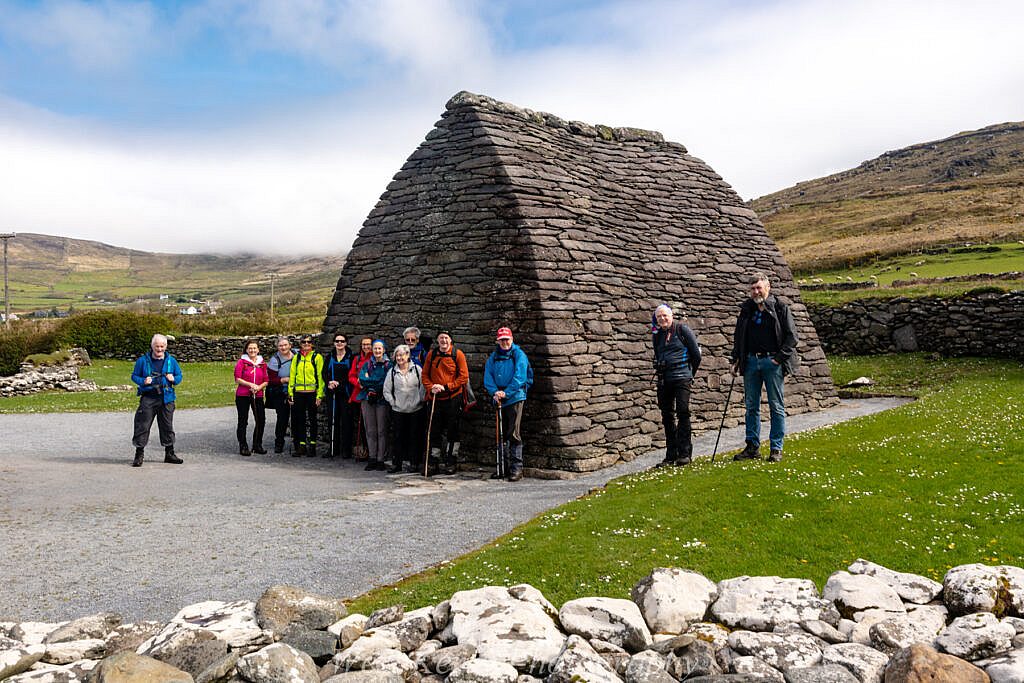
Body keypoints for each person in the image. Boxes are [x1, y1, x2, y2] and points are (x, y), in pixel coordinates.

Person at [730, 272, 800, 463]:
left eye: (759, 287)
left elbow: (792, 337)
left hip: (772, 362)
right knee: (751, 406)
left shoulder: (779, 307)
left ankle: (776, 448)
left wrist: (778, 359)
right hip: (751, 362)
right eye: (752, 289)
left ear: (767, 287)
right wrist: (736, 359)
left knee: (776, 406)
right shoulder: (746, 310)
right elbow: (739, 336)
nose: (755, 292)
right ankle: (752, 447)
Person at [651, 305, 701, 467]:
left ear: (671, 315)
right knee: (667, 416)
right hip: (664, 379)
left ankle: (685, 453)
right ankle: (671, 454)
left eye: (664, 315)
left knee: (683, 412)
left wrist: (689, 374)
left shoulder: (682, 330)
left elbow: (696, 355)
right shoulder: (657, 335)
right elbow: (658, 354)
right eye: (659, 317)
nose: (662, 319)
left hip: (682, 378)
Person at [483, 327, 532, 481]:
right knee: (500, 433)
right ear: (497, 341)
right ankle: (502, 468)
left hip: (515, 396)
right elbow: (488, 376)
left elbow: (520, 376)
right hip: (499, 397)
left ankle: (516, 469)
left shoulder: (519, 355)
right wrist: (495, 392)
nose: (504, 342)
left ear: (512, 339)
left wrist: (507, 392)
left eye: (507, 339)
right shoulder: (494, 357)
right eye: (502, 340)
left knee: (513, 432)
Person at [130, 333, 183, 467]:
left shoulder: (172, 361)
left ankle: (169, 453)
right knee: (143, 425)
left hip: (167, 398)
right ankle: (139, 454)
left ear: (166, 346)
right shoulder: (142, 361)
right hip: (148, 397)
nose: (159, 349)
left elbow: (179, 375)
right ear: (152, 346)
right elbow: (134, 376)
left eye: (162, 346)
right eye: (157, 346)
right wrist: (143, 381)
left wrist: (174, 379)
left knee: (167, 425)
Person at [422, 331, 469, 475]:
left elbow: (463, 377)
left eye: (446, 338)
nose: (443, 340)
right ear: (437, 340)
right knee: (434, 430)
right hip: (435, 397)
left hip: (453, 397)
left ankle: (451, 460)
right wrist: (431, 387)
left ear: (451, 340)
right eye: (441, 338)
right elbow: (424, 375)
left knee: (452, 430)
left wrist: (447, 386)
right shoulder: (432, 354)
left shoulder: (458, 354)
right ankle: (434, 461)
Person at [383, 344, 425, 473]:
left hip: (416, 410)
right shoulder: (392, 372)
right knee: (398, 438)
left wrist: (420, 400)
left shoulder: (417, 370)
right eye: (397, 355)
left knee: (414, 437)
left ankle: (414, 463)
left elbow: (423, 387)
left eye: (402, 355)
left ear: (408, 355)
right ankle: (397, 464)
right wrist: (393, 402)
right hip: (398, 410)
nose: (400, 357)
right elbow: (386, 391)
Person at [357, 340, 391, 471]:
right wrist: (371, 382)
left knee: (382, 430)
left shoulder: (388, 365)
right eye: (375, 348)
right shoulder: (367, 364)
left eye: (379, 349)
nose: (377, 351)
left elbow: (385, 381)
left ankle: (380, 459)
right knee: (370, 430)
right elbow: (362, 379)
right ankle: (372, 457)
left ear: (384, 350)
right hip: (367, 399)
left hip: (382, 399)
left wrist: (369, 381)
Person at [288, 334, 324, 457]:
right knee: (300, 420)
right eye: (304, 342)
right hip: (298, 393)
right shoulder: (296, 358)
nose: (306, 344)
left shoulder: (317, 357)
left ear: (312, 344)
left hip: (312, 393)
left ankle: (312, 445)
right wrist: (290, 393)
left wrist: (319, 395)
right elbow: (292, 376)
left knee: (313, 420)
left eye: (309, 342)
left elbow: (320, 377)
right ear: (300, 344)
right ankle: (302, 445)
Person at [233, 339, 268, 456]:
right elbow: (237, 378)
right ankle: (243, 445)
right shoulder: (241, 362)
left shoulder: (262, 364)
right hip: (243, 395)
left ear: (258, 350)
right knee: (243, 421)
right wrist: (250, 385)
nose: (252, 350)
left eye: (254, 348)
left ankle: (257, 444)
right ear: (246, 350)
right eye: (250, 348)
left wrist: (258, 387)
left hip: (257, 395)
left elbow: (266, 380)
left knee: (261, 420)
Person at [323, 332, 354, 458]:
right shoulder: (330, 356)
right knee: (333, 420)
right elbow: (324, 372)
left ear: (346, 343)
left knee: (346, 421)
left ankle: (346, 450)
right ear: (334, 343)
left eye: (342, 341)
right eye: (337, 341)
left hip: (345, 393)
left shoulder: (351, 357)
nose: (339, 343)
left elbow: (352, 374)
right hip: (332, 393)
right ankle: (333, 448)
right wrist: (329, 382)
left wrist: (340, 383)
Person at [266, 336, 294, 454]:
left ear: (290, 345)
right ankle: (279, 443)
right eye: (280, 346)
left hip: (296, 391)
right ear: (277, 347)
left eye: (285, 345)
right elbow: (270, 379)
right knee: (282, 418)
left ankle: (298, 443)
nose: (283, 347)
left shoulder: (297, 355)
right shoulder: (274, 360)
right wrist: (283, 380)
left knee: (297, 417)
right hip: (280, 392)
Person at [348, 337, 374, 460]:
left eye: (368, 344)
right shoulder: (357, 359)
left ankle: (371, 450)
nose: (366, 347)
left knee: (369, 425)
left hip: (371, 394)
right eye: (364, 344)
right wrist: (359, 383)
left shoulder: (375, 358)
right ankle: (362, 450)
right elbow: (351, 375)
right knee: (359, 424)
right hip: (357, 395)